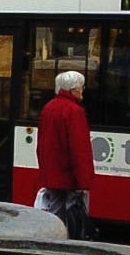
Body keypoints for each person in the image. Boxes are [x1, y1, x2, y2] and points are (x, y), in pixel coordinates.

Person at [35, 70, 96, 239]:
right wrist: (83, 181)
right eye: (81, 87)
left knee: (55, 215)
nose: (82, 90)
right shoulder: (74, 111)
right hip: (70, 177)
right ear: (72, 89)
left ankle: (53, 244)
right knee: (74, 218)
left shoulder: (48, 108)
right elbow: (79, 149)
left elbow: (41, 144)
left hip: (53, 175)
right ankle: (71, 247)